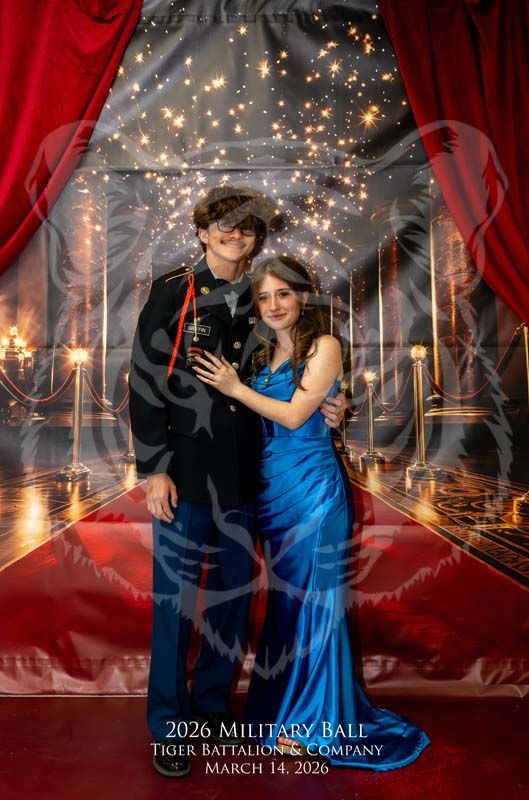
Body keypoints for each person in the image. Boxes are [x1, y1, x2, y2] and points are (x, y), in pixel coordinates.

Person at [128, 187, 346, 778]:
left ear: (256, 239)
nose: (235, 233)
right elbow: (144, 381)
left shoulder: (260, 296)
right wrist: (154, 468)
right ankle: (169, 725)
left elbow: (294, 366)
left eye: (247, 227)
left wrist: (334, 401)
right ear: (202, 232)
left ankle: (211, 706)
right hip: (185, 473)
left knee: (231, 600)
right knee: (175, 605)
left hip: (250, 473)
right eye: (223, 224)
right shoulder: (173, 290)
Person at [193, 255, 430, 770]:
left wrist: (236, 389)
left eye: (283, 293)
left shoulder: (324, 345)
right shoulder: (260, 353)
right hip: (270, 494)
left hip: (314, 494)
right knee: (287, 603)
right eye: (264, 297)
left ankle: (315, 723)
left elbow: (296, 415)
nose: (274, 305)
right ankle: (285, 712)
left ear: (302, 295)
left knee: (316, 603)